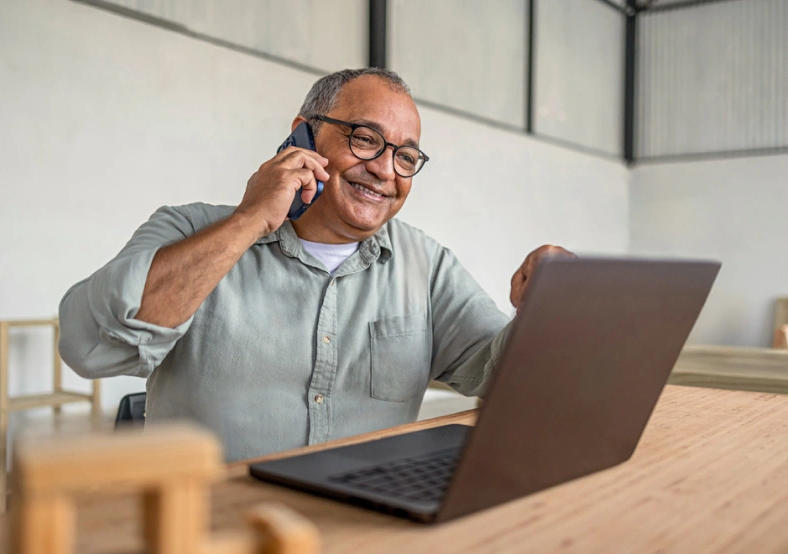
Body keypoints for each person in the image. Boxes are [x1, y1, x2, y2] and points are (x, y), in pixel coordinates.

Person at [58, 68, 572, 461]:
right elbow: (90, 350)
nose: (384, 170)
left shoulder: (426, 265)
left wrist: (547, 309)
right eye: (365, 139)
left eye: (407, 157)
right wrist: (250, 220)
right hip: (215, 530)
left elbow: (495, 370)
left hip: (365, 523)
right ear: (304, 136)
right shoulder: (188, 230)